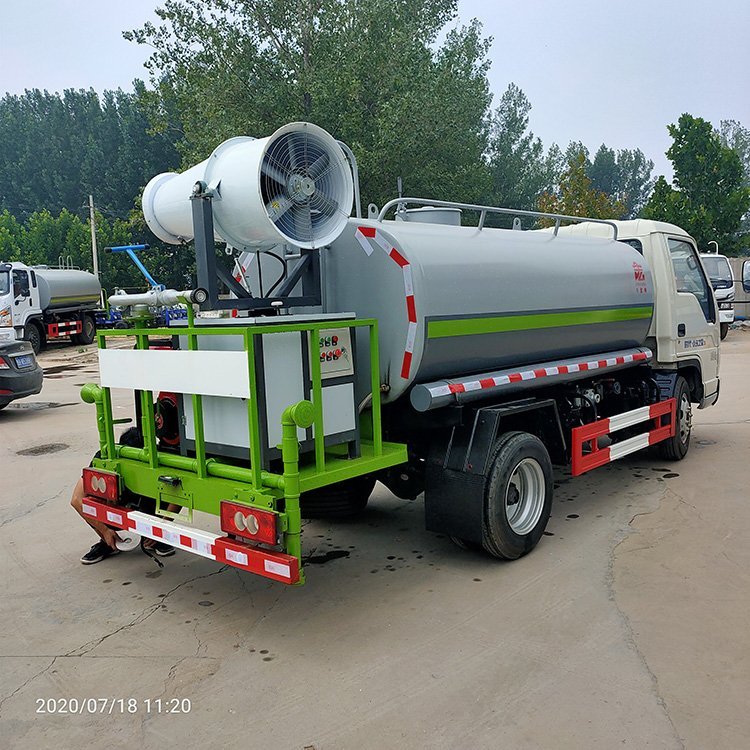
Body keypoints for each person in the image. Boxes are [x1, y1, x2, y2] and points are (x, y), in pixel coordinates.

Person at [71, 426, 177, 564]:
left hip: (148, 508)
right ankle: (108, 542)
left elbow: (178, 496)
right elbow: (76, 500)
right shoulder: (105, 458)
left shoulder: (160, 458)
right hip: (116, 508)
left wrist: (162, 527)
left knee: (168, 487)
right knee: (92, 501)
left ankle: (154, 539)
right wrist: (104, 531)